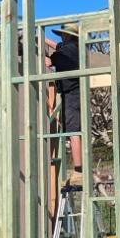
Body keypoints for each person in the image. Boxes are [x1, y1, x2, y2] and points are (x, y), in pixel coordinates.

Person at [44, 23, 83, 222]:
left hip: (73, 93)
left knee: (74, 131)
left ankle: (79, 170)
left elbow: (49, 62)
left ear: (68, 37)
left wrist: (32, 54)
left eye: (63, 36)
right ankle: (78, 167)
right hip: (71, 93)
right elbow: (55, 46)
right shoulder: (72, 48)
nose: (61, 39)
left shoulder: (71, 50)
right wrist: (37, 38)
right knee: (72, 130)